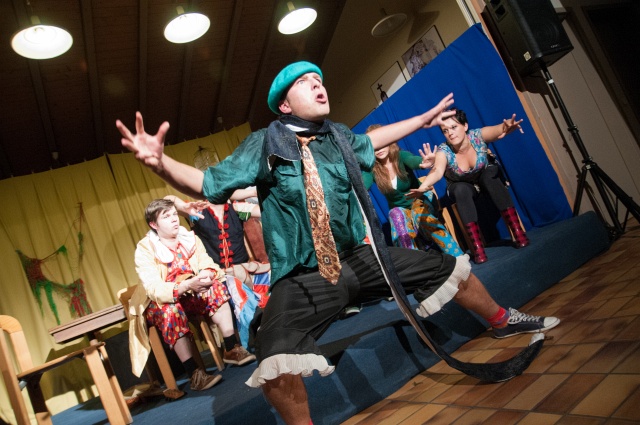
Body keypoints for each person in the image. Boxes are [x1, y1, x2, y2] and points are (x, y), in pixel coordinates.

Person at [117, 61, 560, 425]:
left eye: (320, 79)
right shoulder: (264, 144)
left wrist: (421, 120)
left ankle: (503, 319)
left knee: (450, 269)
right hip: (305, 275)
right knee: (273, 354)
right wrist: (161, 164)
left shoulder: (338, 137)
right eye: (307, 82)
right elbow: (208, 183)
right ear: (285, 103)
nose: (319, 85)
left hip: (359, 258)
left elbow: (372, 141)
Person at [129, 199, 255, 393]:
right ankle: (194, 374)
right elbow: (154, 288)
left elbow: (208, 263)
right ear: (154, 224)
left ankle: (231, 348)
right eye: (166, 217)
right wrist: (185, 285)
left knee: (216, 286)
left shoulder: (189, 238)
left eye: (174, 214)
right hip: (163, 300)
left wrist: (206, 275)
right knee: (170, 310)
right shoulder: (146, 248)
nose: (174, 219)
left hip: (192, 293)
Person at [410, 109, 529, 264]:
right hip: (462, 186)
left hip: (485, 179)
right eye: (445, 130)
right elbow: (437, 171)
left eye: (454, 127)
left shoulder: (477, 136)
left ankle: (518, 232)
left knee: (489, 176)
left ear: (465, 126)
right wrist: (424, 186)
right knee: (460, 189)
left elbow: (497, 130)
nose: (450, 133)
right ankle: (477, 247)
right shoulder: (444, 150)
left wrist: (506, 126)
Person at [362, 124, 462, 257]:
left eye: (381, 142)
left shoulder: (401, 156)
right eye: (374, 146)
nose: (379, 149)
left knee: (418, 214)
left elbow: (413, 160)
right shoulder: (372, 169)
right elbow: (362, 186)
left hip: (420, 199)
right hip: (401, 211)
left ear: (388, 140)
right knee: (395, 215)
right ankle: (416, 263)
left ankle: (458, 256)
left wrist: (424, 163)